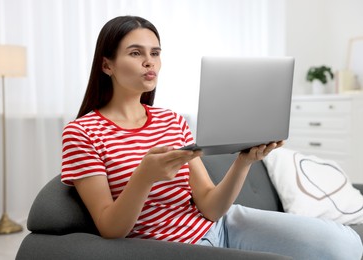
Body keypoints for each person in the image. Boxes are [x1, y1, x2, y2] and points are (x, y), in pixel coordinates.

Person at [61, 15, 363, 259]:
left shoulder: (171, 120)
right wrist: (144, 176)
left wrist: (243, 162)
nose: (150, 62)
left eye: (155, 53)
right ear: (107, 65)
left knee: (345, 244)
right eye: (136, 53)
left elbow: (210, 207)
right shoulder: (82, 133)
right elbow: (110, 229)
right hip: (175, 247)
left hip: (222, 224)